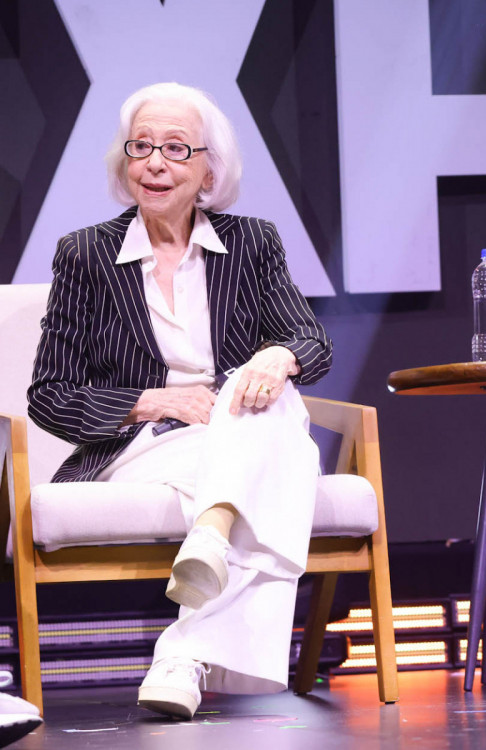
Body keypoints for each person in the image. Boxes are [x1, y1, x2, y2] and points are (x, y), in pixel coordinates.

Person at [27, 82, 332, 718]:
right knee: (290, 461)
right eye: (141, 147)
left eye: (175, 147)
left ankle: (184, 642)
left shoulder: (252, 244)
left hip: (234, 433)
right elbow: (50, 397)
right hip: (138, 445)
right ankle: (195, 616)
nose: (155, 163)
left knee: (266, 396)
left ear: (209, 170)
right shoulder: (85, 255)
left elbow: (311, 342)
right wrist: (155, 401)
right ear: (124, 163)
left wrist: (277, 358)